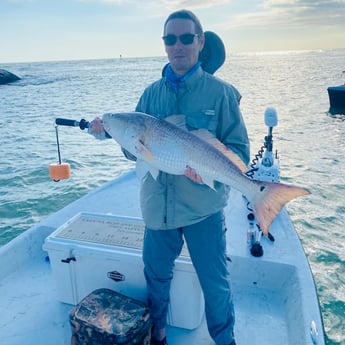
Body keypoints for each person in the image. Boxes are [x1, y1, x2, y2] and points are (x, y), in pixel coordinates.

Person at [89, 9, 249, 345]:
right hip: (157, 210)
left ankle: (225, 340)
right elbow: (134, 149)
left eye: (186, 38)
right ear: (164, 45)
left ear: (199, 41)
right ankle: (157, 333)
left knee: (215, 281)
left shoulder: (221, 94)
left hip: (202, 208)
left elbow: (239, 151)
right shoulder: (150, 95)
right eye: (170, 39)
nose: (178, 45)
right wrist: (108, 134)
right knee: (156, 277)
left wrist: (209, 170)